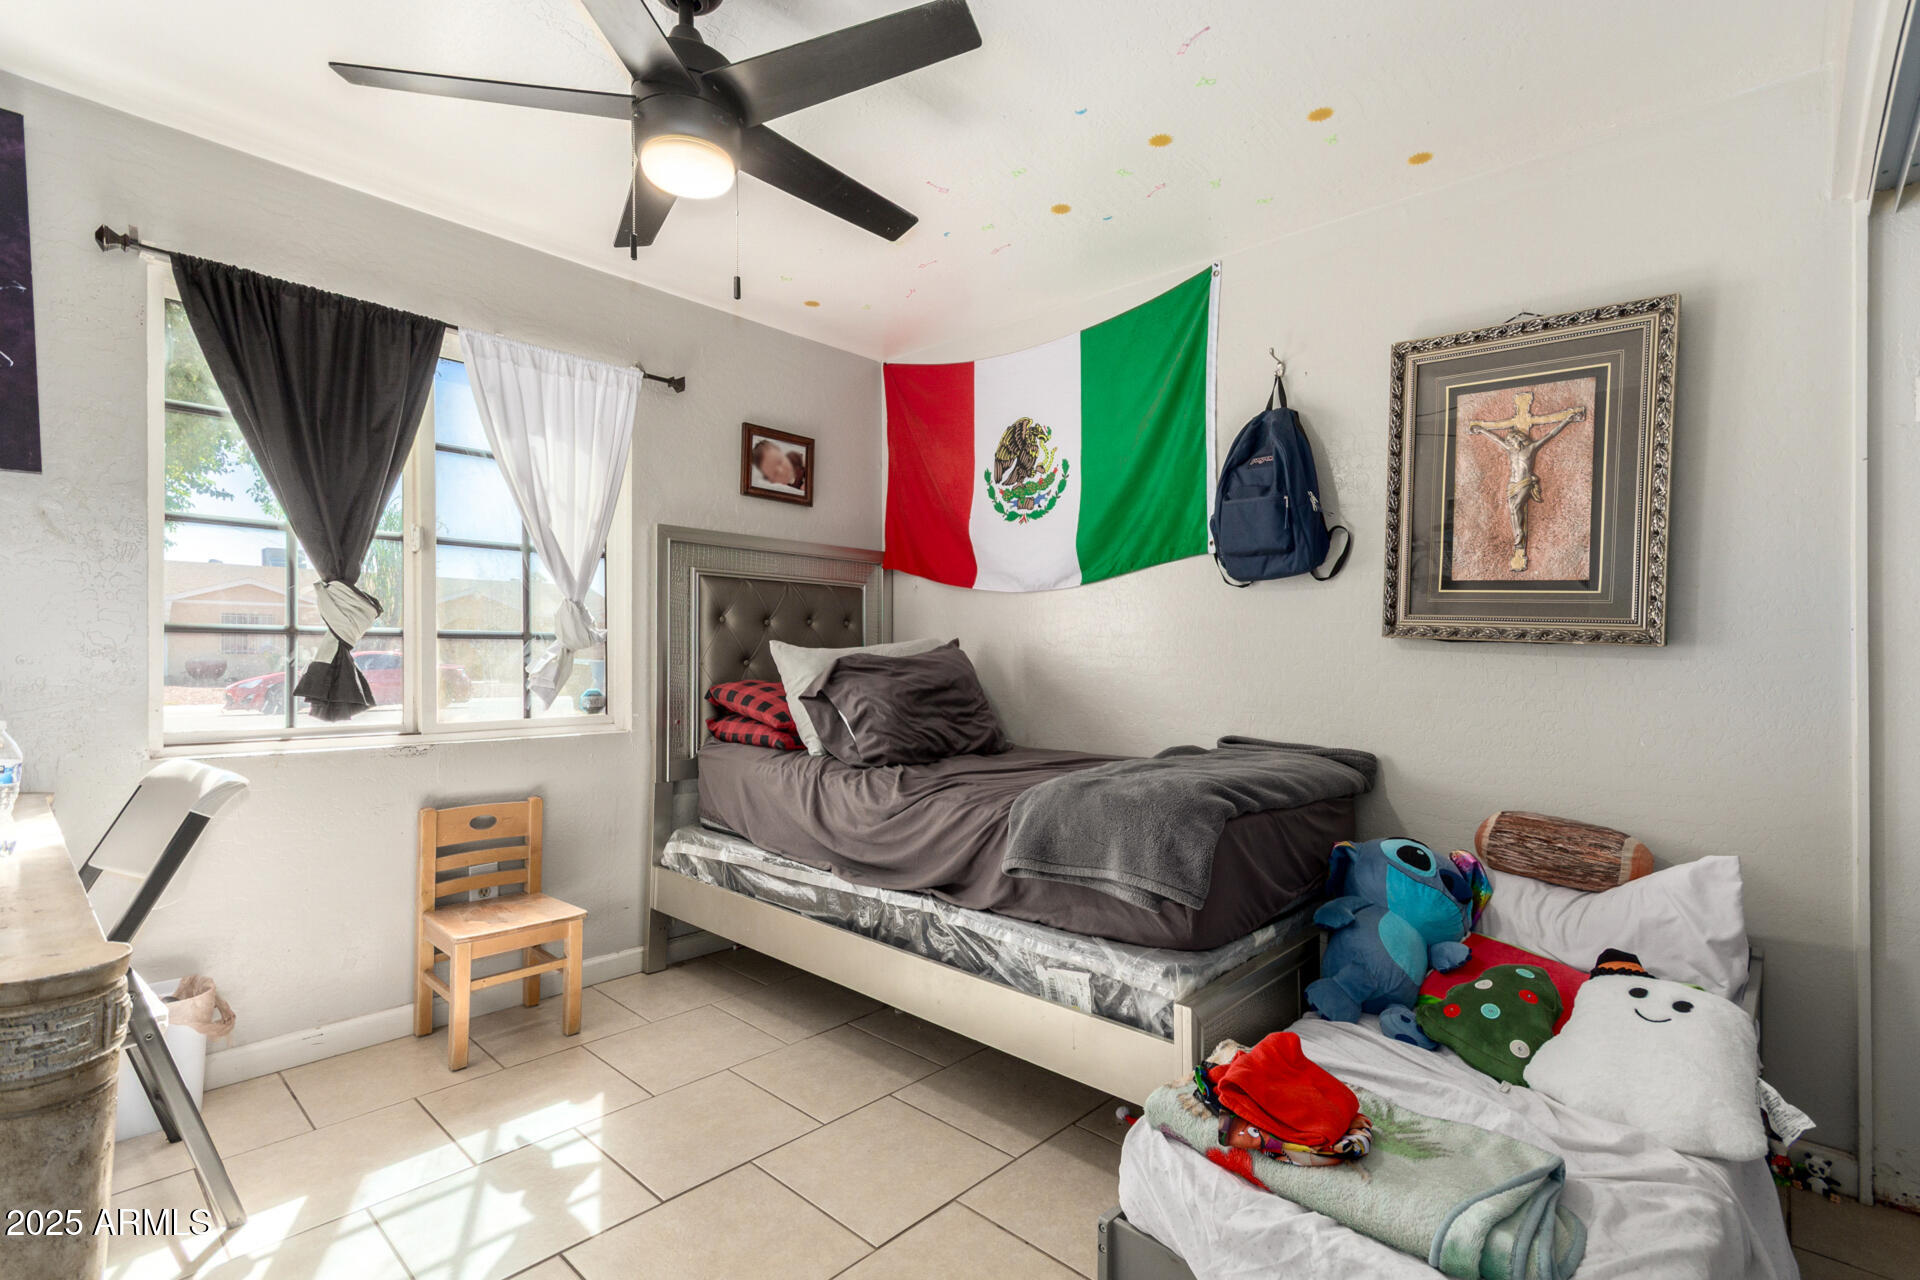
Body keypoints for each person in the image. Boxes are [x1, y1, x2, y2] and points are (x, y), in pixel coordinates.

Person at [1465, 391, 1584, 572]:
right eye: (1510, 440)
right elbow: (1496, 439)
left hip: (1525, 482)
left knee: (1515, 508)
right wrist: (1481, 430)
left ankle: (1519, 534)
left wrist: (1567, 420)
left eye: (1512, 439)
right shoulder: (1511, 451)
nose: (1510, 441)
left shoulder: (1531, 449)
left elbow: (1551, 434)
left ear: (1518, 439)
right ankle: (1518, 537)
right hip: (1512, 484)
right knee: (1512, 509)